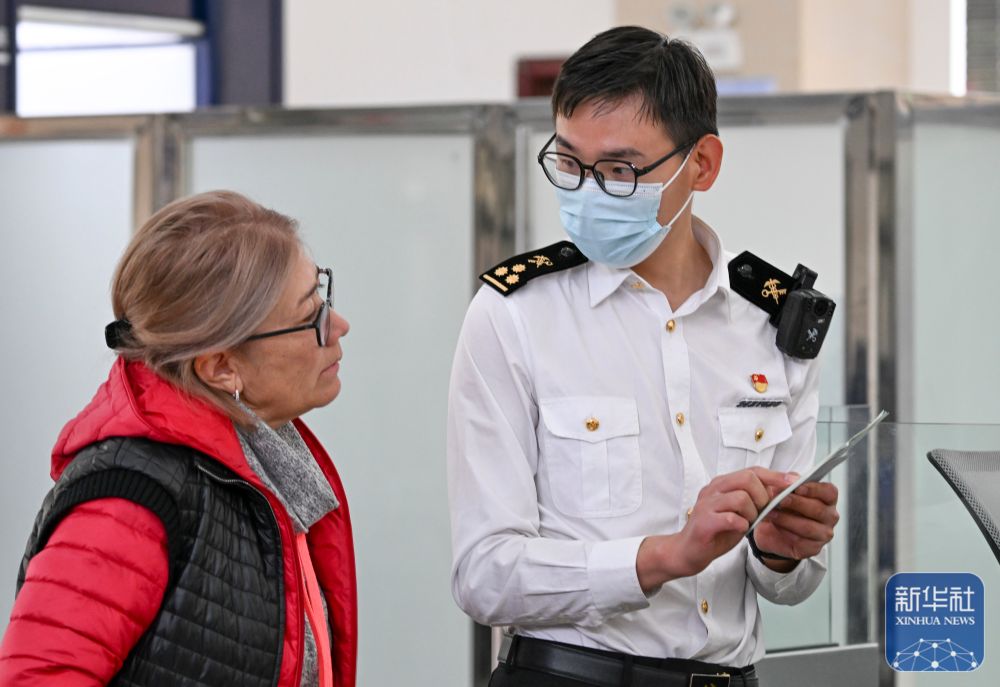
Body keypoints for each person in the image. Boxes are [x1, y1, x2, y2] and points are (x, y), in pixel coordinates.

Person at [447, 26, 840, 687]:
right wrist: (661, 557)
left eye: (621, 170)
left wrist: (781, 552)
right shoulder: (516, 313)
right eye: (569, 162)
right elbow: (483, 574)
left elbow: (790, 584)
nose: (587, 191)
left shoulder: (770, 321)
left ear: (702, 164)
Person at [0, 191, 356, 687]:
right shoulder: (129, 502)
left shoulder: (267, 463)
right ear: (221, 366)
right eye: (309, 317)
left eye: (322, 295)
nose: (338, 326)